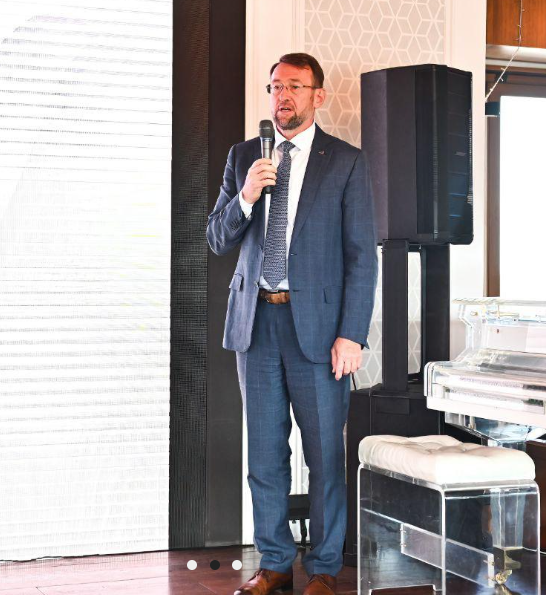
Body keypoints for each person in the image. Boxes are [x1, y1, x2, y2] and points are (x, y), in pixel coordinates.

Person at [206, 53, 377, 595]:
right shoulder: (243, 157)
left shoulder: (345, 161)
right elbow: (216, 238)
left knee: (325, 456)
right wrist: (247, 195)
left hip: (321, 333)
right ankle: (275, 564)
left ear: (317, 96)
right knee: (264, 455)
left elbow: (361, 257)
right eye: (276, 86)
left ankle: (324, 570)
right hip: (256, 325)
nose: (283, 96)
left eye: (295, 86)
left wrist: (352, 334)